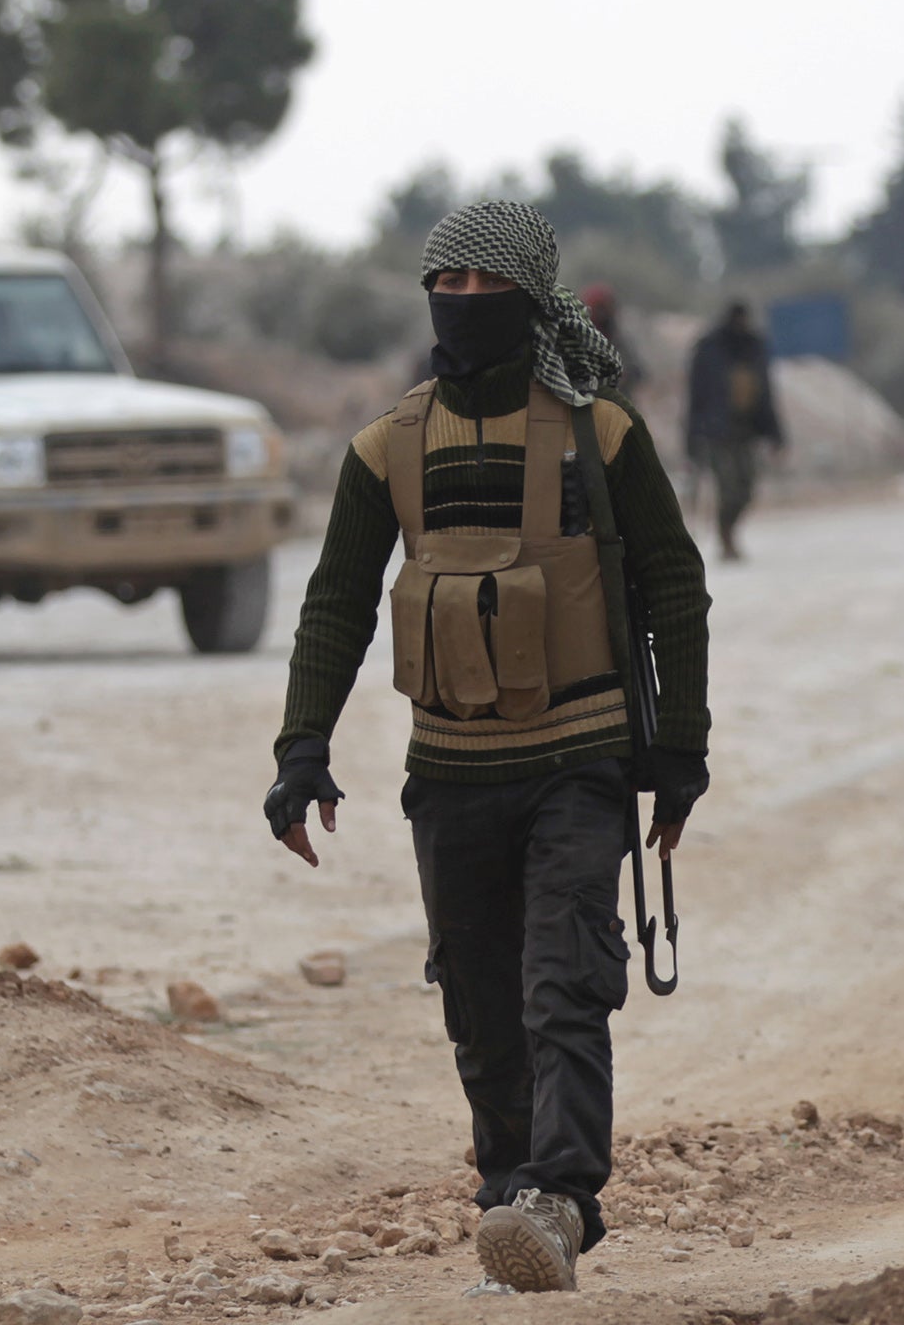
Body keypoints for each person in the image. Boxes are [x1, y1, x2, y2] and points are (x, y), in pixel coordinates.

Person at [264, 201, 713, 1296]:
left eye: (486, 286)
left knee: (562, 980)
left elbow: (671, 588)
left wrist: (678, 749)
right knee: (477, 996)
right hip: (451, 770)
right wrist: (300, 748)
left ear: (533, 296)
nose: (464, 306)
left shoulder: (600, 436)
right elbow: (335, 605)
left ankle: (560, 1199)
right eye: (445, 286)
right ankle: (508, 1188)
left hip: (579, 753)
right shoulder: (387, 449)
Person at [685, 299, 784, 561]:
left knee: (747, 488)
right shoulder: (709, 349)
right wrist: (692, 437)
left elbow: (765, 393)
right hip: (717, 432)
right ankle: (725, 537)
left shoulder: (754, 347)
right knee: (728, 488)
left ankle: (729, 530)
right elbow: (696, 396)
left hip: (747, 430)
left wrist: (776, 434)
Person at [580, 283, 645, 387]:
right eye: (599, 309)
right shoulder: (578, 340)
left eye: (605, 308)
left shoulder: (619, 340)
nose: (602, 314)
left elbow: (638, 372)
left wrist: (623, 376)